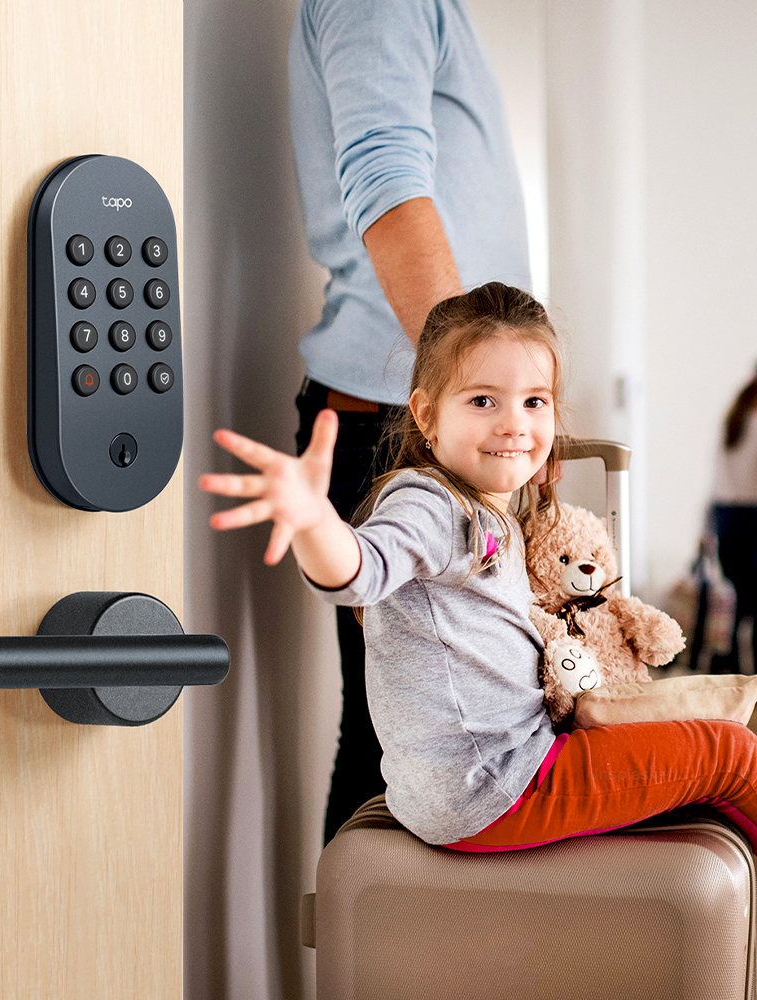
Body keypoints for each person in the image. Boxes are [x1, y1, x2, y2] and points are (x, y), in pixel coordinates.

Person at [201, 283, 757, 851]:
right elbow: (361, 569)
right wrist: (315, 520)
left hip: (489, 776)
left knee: (711, 740)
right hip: (498, 787)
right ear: (426, 414)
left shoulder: (483, 503)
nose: (514, 425)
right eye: (483, 401)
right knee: (733, 754)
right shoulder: (429, 505)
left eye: (534, 402)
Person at [289, 0, 532, 843]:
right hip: (408, 426)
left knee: (441, 743)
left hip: (430, 416)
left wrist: (502, 414)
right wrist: (485, 404)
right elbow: (388, 182)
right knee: (403, 753)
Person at [709, 365, 757, 675]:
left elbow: (717, 478)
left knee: (741, 601)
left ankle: (740, 676)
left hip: (726, 515)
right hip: (752, 517)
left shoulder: (735, 417)